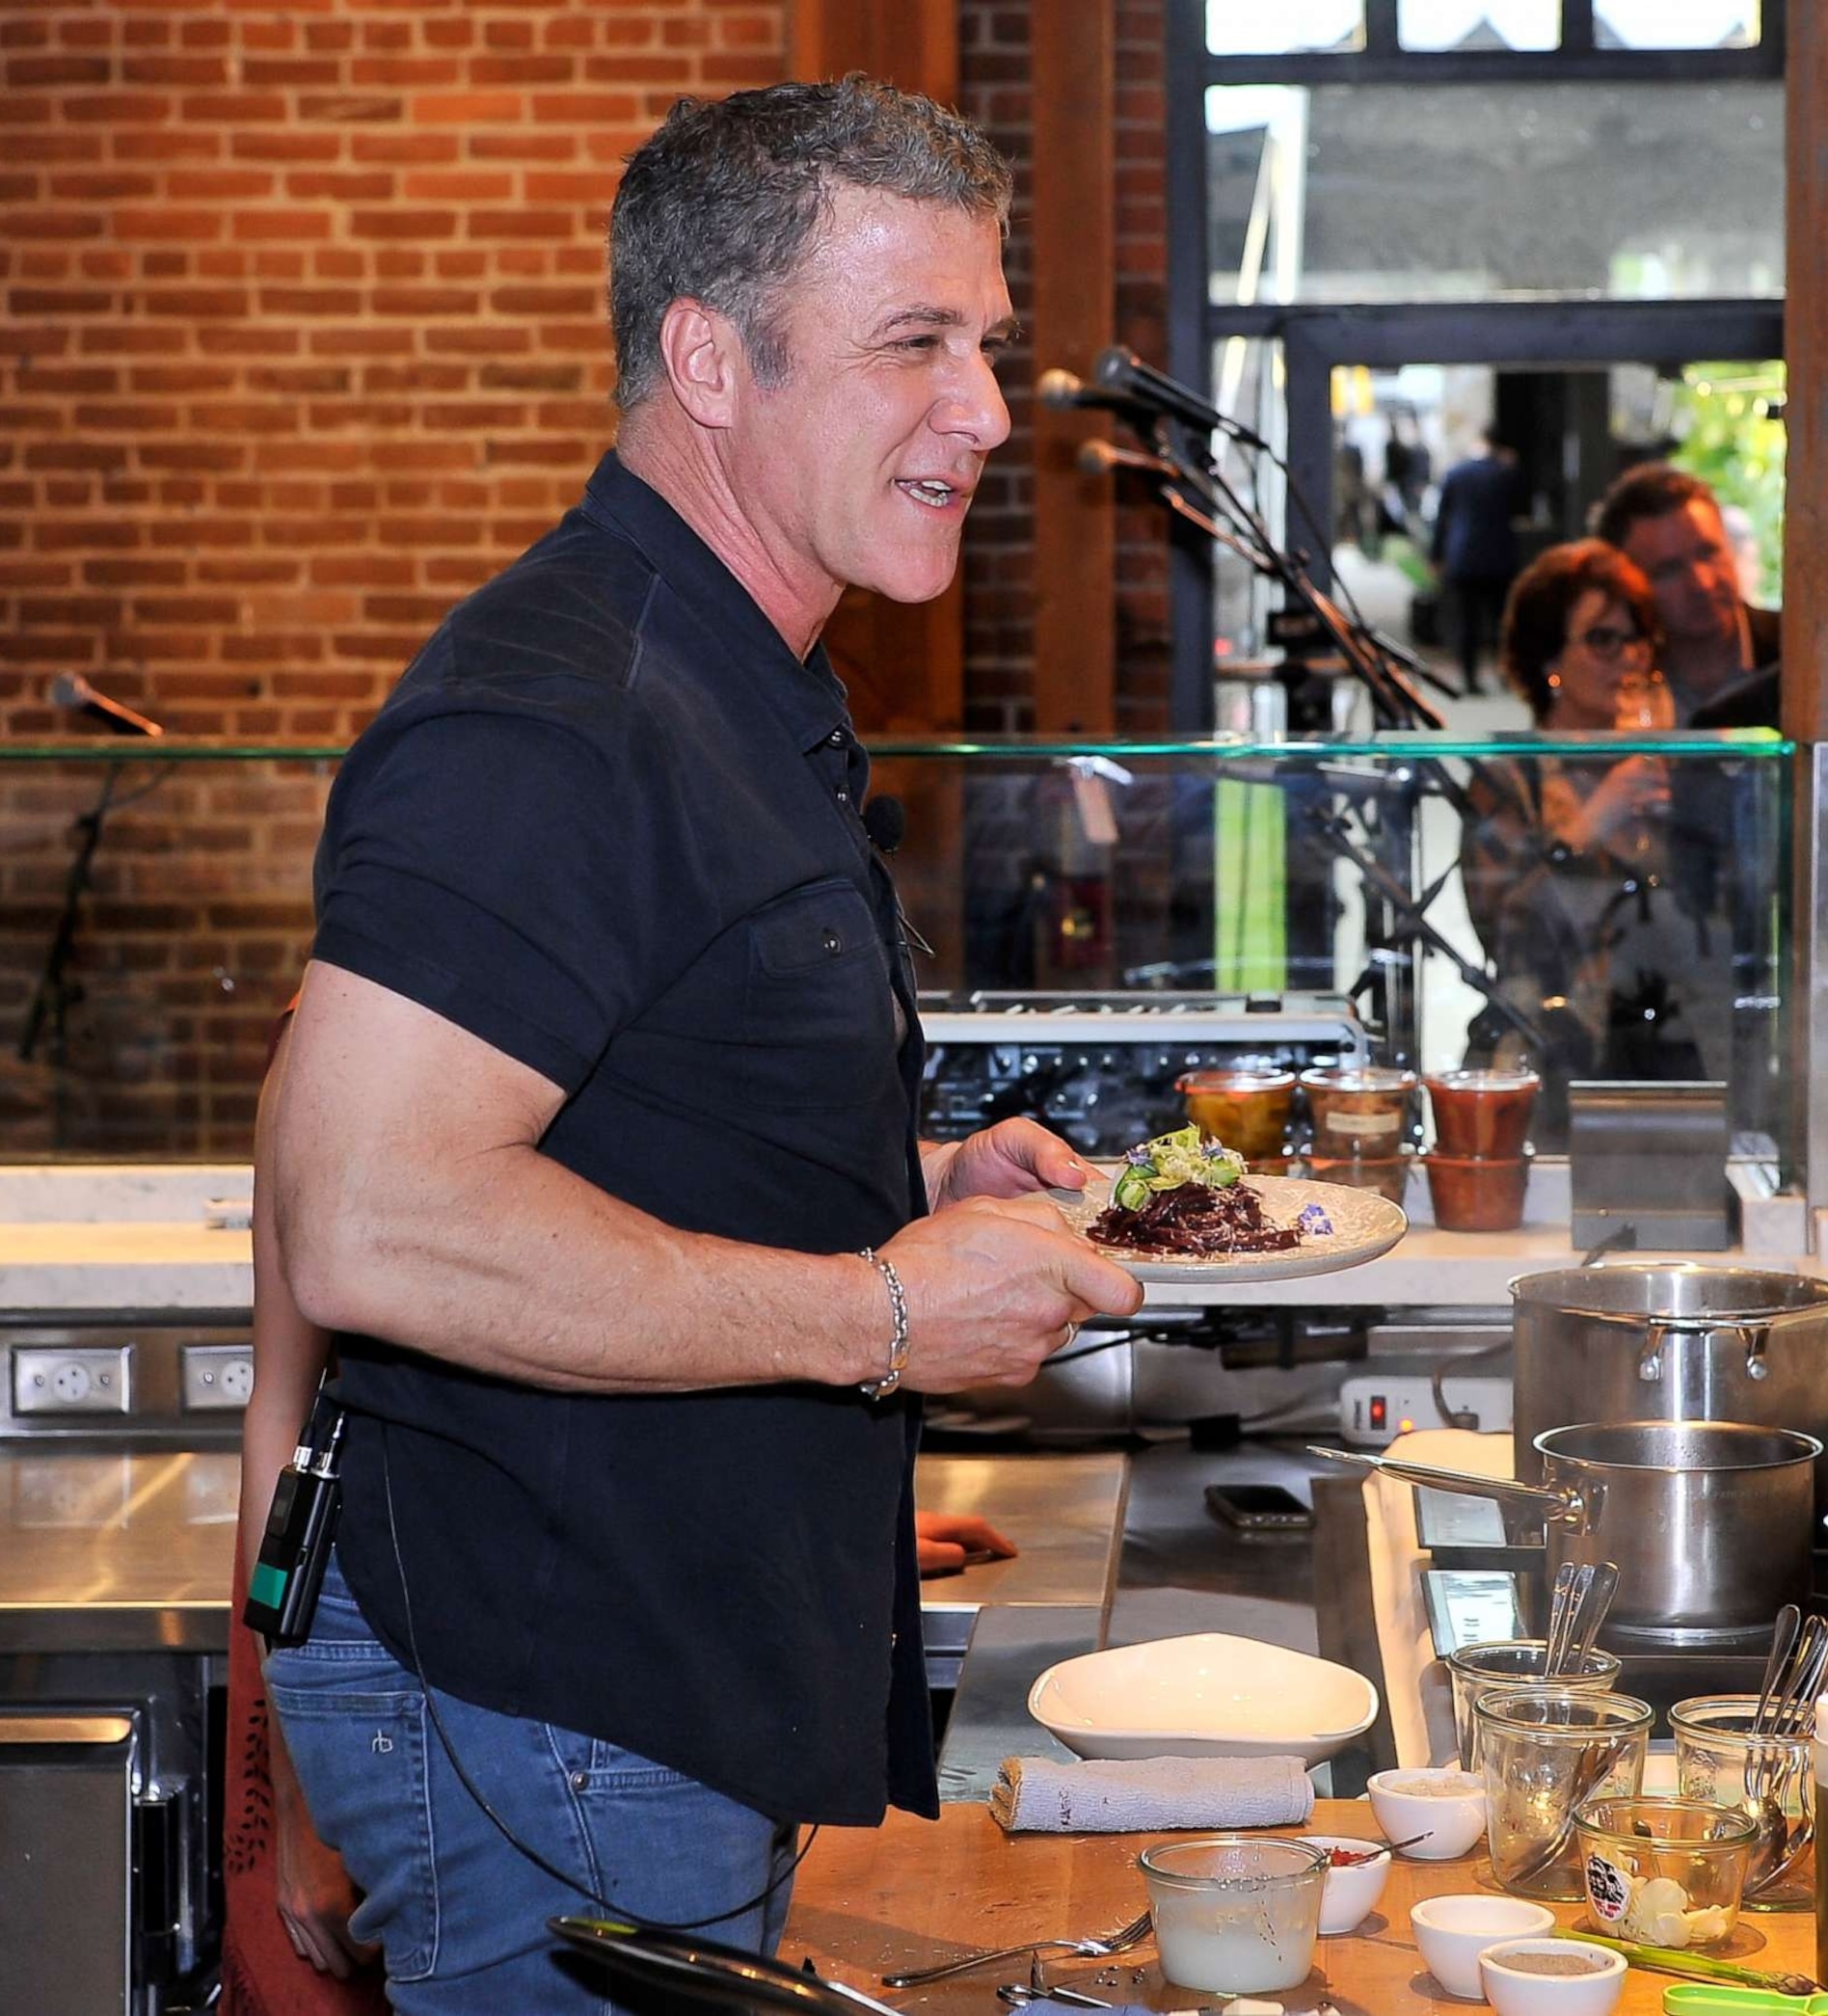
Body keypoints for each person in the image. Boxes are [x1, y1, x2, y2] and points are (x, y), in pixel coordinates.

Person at [259, 76, 1143, 2013]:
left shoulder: (735, 683)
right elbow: (365, 1216)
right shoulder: (561, 714)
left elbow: (512, 1123)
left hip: (641, 1680)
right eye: (915, 344)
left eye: (984, 348)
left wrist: (908, 1192)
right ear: (707, 360)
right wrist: (886, 1311)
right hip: (558, 1683)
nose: (988, 412)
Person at [227, 1030, 1018, 2011]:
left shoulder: (599, 1016)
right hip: (470, 1649)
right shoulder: (349, 1058)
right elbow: (286, 1423)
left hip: (684, 1645)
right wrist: (294, 1797)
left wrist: (827, 1527)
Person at [1461, 543, 1722, 1134]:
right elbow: (1504, 934)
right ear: (1549, 658)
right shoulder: (1511, 778)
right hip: (1546, 1054)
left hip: (1668, 1055)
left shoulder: (1666, 770)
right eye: (1603, 640)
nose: (1627, 657)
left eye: (1639, 639)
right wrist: (1591, 824)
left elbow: (1722, 921)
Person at [1591, 462, 1779, 729]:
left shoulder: (1799, 655)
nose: (1701, 584)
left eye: (1708, 553)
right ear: (1628, 585)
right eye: (1668, 571)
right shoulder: (1613, 682)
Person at [1432, 439, 1528, 693]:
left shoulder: (1456, 474)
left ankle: (1470, 677)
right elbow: (1521, 507)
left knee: (1468, 621)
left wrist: (1436, 555)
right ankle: (1505, 673)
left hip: (1463, 556)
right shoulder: (1504, 474)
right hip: (1499, 556)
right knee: (1501, 620)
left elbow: (1442, 517)